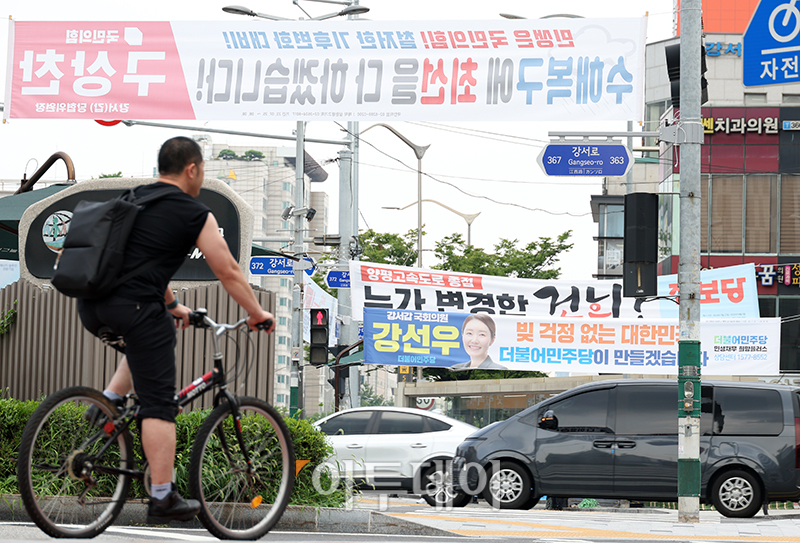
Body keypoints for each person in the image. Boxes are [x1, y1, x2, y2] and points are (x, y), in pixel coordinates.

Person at [77, 136, 275, 525]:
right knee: (159, 405)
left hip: (93, 305)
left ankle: (107, 402)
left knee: (152, 334)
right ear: (192, 169)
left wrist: (172, 306)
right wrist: (255, 312)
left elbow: (143, 264)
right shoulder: (193, 212)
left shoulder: (136, 197)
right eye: (202, 170)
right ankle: (162, 497)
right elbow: (228, 270)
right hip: (135, 309)